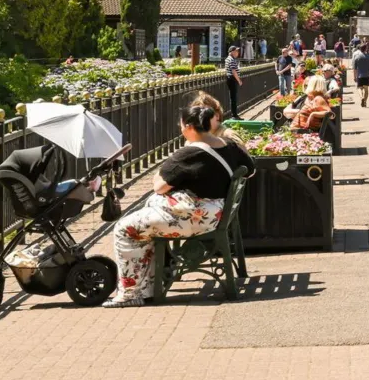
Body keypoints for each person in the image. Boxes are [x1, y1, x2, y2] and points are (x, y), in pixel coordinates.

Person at [102, 94, 255, 307]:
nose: (180, 129)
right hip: (217, 213)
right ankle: (148, 286)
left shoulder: (189, 153)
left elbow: (159, 186)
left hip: (195, 219)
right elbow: (250, 171)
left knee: (124, 229)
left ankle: (130, 293)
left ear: (190, 126)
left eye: (181, 125)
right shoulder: (230, 145)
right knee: (144, 223)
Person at [223, 46, 243, 114]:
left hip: (231, 79)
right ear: (232, 52)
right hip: (232, 79)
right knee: (233, 98)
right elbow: (234, 71)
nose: (237, 53)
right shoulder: (231, 59)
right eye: (236, 51)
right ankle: (234, 115)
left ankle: (234, 114)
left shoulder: (229, 59)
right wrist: (239, 80)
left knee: (233, 97)